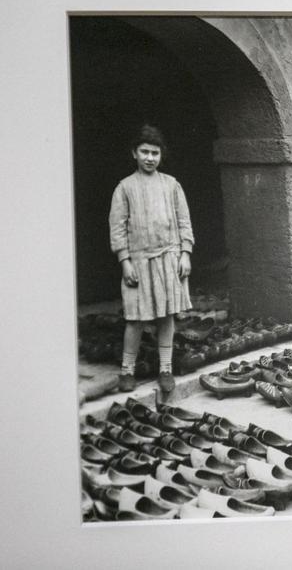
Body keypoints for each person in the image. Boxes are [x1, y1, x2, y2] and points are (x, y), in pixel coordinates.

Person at [109, 125, 194, 393]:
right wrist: (125, 261)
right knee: (135, 318)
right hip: (138, 263)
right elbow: (118, 227)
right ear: (134, 153)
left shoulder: (171, 185)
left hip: (169, 259)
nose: (149, 158)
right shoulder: (124, 188)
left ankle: (165, 369)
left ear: (161, 155)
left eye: (155, 153)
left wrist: (185, 253)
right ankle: (127, 371)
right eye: (144, 152)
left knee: (166, 316)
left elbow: (184, 222)